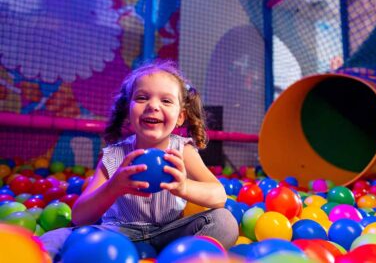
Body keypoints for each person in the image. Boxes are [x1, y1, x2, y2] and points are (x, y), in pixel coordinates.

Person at [40, 60, 239, 260]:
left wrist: (184, 187)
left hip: (169, 236)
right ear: (128, 110)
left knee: (224, 222)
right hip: (118, 236)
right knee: (57, 237)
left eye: (166, 101)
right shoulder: (114, 155)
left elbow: (219, 196)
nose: (153, 105)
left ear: (180, 116)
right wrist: (113, 187)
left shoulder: (183, 150)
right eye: (142, 97)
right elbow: (80, 216)